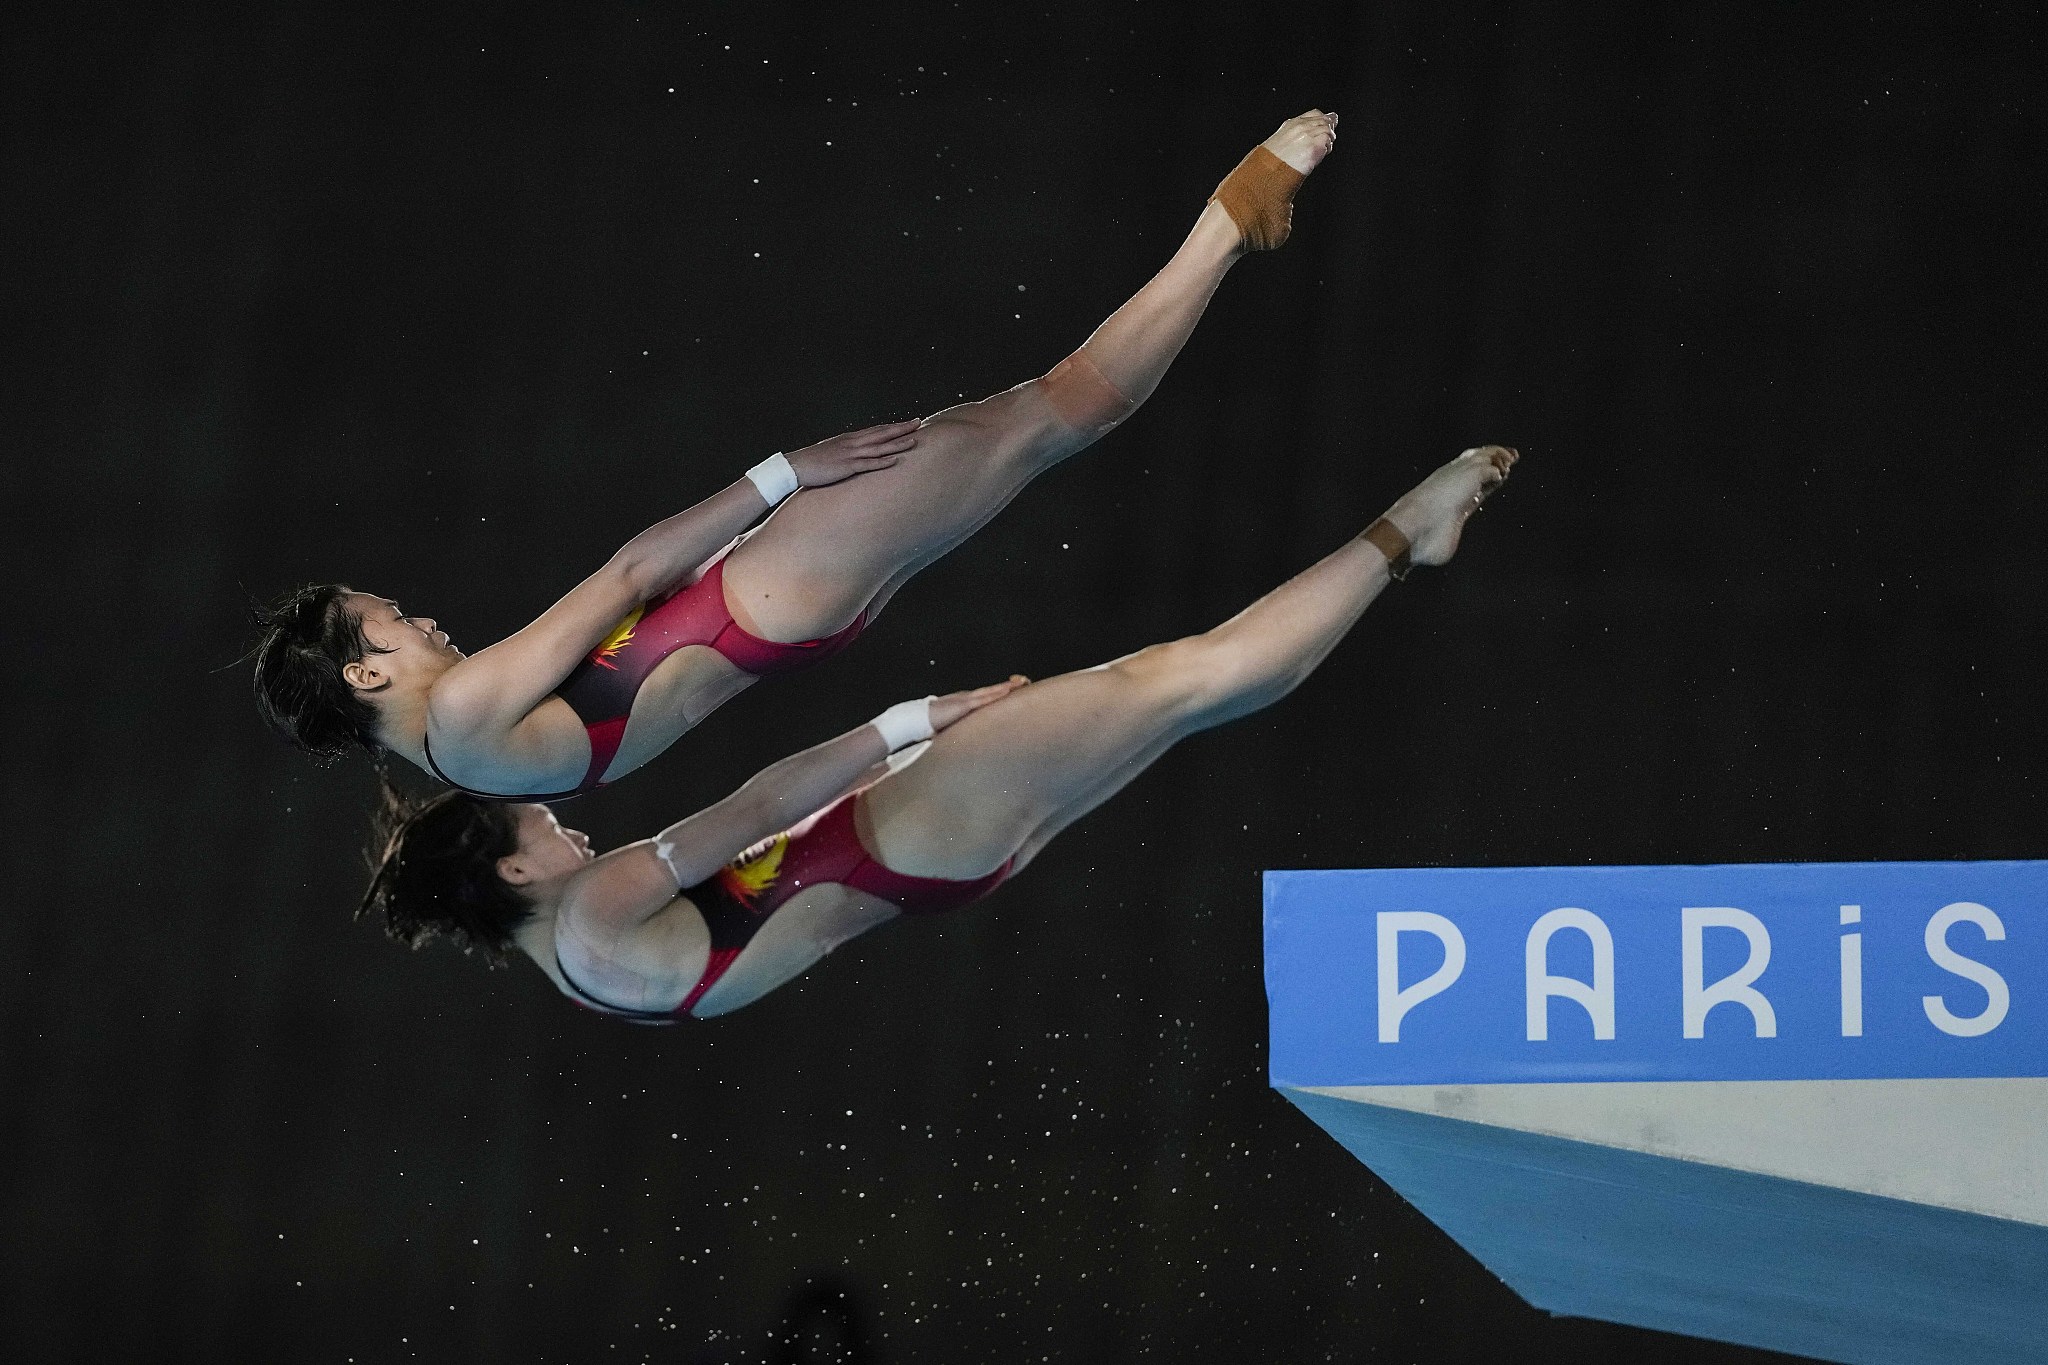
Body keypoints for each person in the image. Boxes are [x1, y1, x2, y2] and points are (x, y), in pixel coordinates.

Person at [254, 112, 1342, 801]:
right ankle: (1227, 224)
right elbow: (628, 578)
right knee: (1049, 415)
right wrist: (782, 473)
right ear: (365, 670)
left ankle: (1225, 235)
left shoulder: (468, 773)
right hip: (766, 585)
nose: (427, 619)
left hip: (780, 620)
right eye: (395, 619)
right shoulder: (461, 711)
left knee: (1040, 427)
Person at [357, 447, 1516, 1020]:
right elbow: (759, 811)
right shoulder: (599, 912)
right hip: (900, 827)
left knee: (1188, 696)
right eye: (539, 826)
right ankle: (1403, 531)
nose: (561, 823)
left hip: (923, 864)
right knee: (1183, 678)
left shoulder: (583, 980)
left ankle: (1403, 544)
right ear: (509, 868)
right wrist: (911, 722)